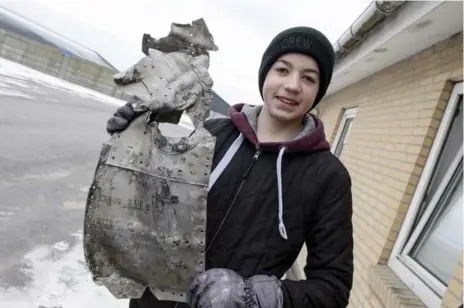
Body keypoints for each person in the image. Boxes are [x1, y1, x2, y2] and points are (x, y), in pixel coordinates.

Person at [106, 26, 354, 308]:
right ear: (266, 74)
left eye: (308, 78)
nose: (293, 85)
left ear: (318, 90)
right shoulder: (213, 134)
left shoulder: (328, 177)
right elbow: (156, 205)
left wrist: (256, 297)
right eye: (283, 70)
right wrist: (133, 142)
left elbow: (333, 287)